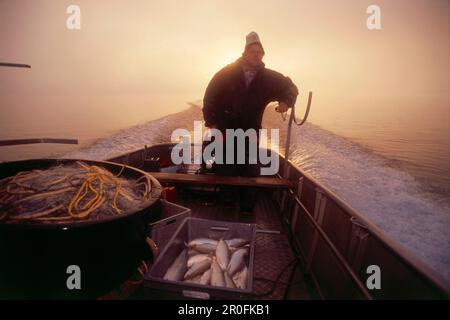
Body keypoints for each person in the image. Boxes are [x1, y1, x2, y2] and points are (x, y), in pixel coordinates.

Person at [202, 31, 299, 212]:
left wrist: (286, 101)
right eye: (253, 51)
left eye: (259, 52)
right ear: (245, 52)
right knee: (225, 166)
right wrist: (211, 122)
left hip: (251, 129)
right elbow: (210, 96)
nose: (256, 55)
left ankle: (247, 207)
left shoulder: (269, 78)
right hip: (226, 128)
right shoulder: (226, 72)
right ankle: (227, 204)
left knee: (249, 166)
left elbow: (290, 87)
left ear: (263, 55)